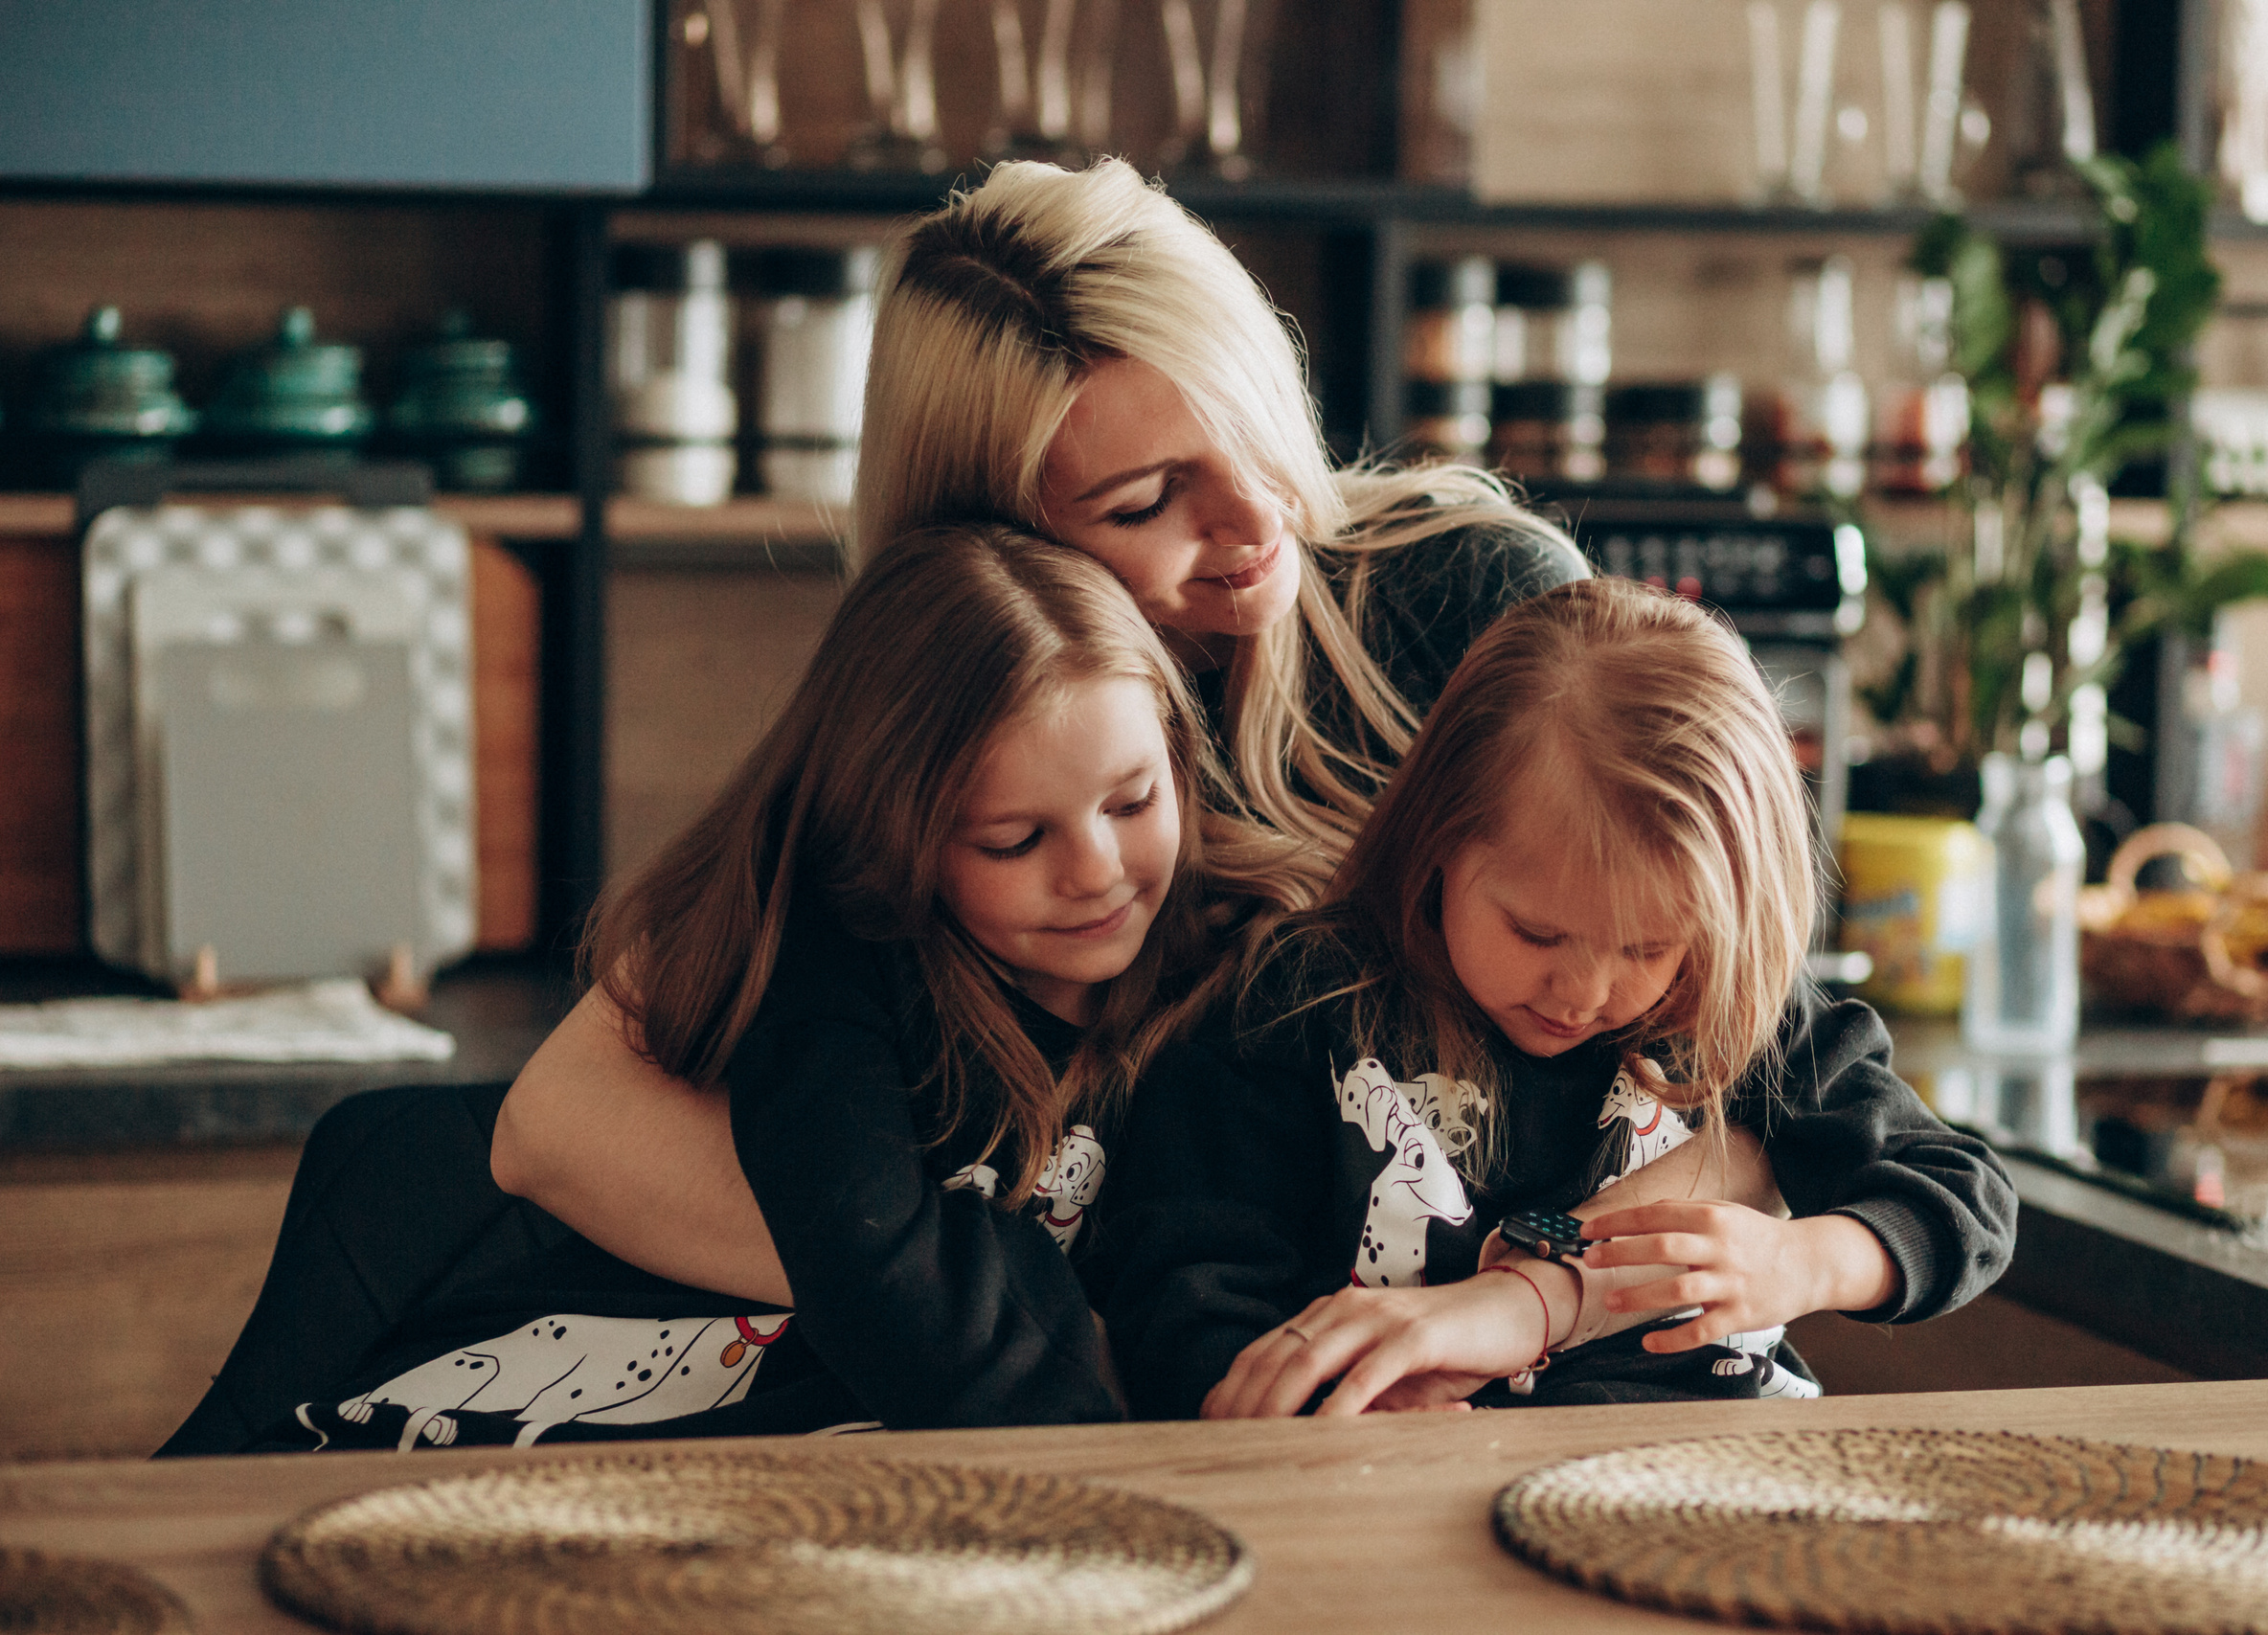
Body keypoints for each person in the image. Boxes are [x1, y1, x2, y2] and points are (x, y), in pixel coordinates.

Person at [489, 157, 1589, 1295]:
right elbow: (562, 1125)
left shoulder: (1475, 598)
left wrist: (1538, 1300)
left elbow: (1718, 1034)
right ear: (996, 543)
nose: (1260, 516)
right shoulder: (963, 698)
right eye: (1145, 501)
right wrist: (1040, 1329)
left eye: (1252, 423)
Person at [163, 523, 1316, 1454]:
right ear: (896, 840)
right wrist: (1112, 1430)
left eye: (1130, 802)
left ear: (1177, 747)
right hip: (627, 1421)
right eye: (1014, 840)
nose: (1098, 873)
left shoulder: (1258, 965)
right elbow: (883, 1268)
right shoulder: (843, 970)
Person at [1095, 579, 2018, 1419]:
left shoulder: (1741, 1014)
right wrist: (1326, 1407)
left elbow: (1963, 1191)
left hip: (1726, 1472)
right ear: (1439, 838)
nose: (1582, 992)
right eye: (1537, 933)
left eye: (1647, 947)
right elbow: (1178, 1286)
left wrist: (1803, 1260)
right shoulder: (1298, 1005)